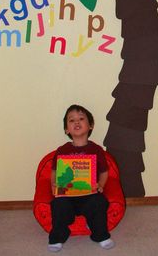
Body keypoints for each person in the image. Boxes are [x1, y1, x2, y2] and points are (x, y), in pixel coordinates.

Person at [48, 104, 115, 252]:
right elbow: (54, 171)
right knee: (57, 204)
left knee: (100, 202)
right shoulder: (62, 150)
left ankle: (100, 234)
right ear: (66, 129)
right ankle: (58, 237)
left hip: (89, 193)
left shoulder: (96, 150)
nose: (76, 122)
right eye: (71, 120)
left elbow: (104, 172)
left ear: (90, 126)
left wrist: (101, 185)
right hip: (67, 195)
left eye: (81, 119)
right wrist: (53, 185)